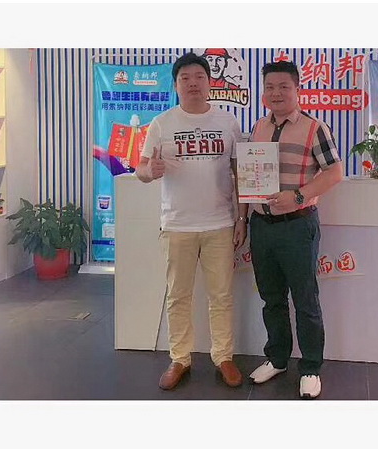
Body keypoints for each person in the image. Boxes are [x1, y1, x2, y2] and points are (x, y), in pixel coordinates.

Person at [136, 52, 248, 390]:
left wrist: (242, 218)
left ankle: (223, 356)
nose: (193, 83)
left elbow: (239, 173)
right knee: (178, 295)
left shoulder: (227, 121)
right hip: (177, 225)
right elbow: (141, 169)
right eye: (185, 78)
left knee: (222, 296)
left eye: (199, 76)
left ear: (210, 82)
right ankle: (180, 359)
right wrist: (150, 171)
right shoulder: (161, 123)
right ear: (176, 85)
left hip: (220, 223)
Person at [247, 61, 343, 399]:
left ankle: (311, 367)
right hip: (261, 226)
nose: (276, 93)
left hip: (298, 226)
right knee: (271, 298)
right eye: (269, 87)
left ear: (297, 89)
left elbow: (335, 172)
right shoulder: (257, 128)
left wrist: (298, 195)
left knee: (305, 300)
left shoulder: (315, 128)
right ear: (263, 92)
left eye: (283, 86)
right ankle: (277, 359)